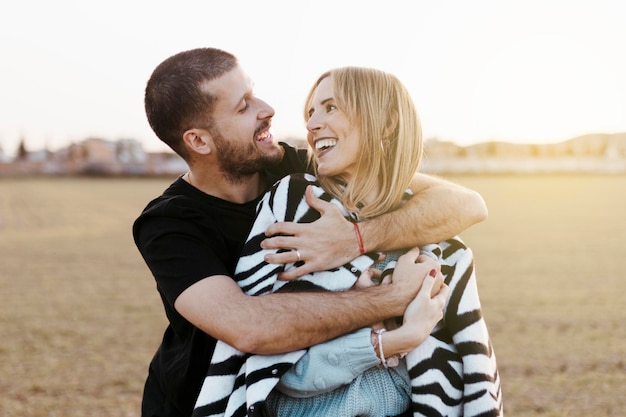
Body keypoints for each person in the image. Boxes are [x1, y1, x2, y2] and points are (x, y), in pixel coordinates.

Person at [133, 47, 488, 417]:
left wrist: (357, 239)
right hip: (209, 402)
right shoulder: (168, 226)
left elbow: (465, 204)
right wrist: (394, 298)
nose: (267, 108)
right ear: (200, 141)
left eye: (254, 92)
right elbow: (249, 327)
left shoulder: (300, 169)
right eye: (243, 106)